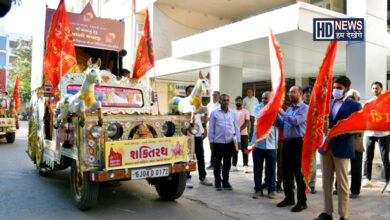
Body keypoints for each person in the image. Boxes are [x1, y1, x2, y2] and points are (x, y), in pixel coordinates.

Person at [315, 76, 362, 220]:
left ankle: (343, 215)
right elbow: (319, 120)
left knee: (342, 184)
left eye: (339, 88)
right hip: (325, 147)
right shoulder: (327, 103)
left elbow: (356, 128)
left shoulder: (354, 106)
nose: (335, 90)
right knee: (326, 182)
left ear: (346, 89)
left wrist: (335, 133)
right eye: (334, 88)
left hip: (342, 147)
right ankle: (327, 212)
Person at [277, 86, 308, 213]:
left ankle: (302, 202)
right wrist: (275, 118)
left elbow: (295, 121)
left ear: (300, 94)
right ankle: (289, 198)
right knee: (286, 172)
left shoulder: (305, 108)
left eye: (293, 92)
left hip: (299, 144)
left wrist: (281, 112)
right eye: (289, 92)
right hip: (287, 143)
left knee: (299, 174)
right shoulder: (289, 109)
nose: (290, 94)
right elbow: (284, 124)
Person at [251, 91, 282, 199]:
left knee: (271, 169)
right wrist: (271, 117)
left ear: (271, 99)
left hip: (272, 145)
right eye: (262, 98)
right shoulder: (257, 108)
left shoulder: (276, 108)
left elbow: (281, 124)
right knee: (258, 169)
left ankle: (271, 190)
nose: (264, 100)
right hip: (258, 144)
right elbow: (260, 120)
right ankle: (258, 190)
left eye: (266, 98)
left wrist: (276, 115)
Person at [209, 94, 241, 191]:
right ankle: (217, 181)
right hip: (218, 142)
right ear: (220, 101)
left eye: (227, 100)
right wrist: (211, 141)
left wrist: (238, 140)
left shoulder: (233, 113)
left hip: (230, 142)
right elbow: (211, 129)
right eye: (224, 100)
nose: (225, 102)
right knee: (217, 163)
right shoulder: (214, 113)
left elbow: (236, 127)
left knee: (227, 163)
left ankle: (225, 181)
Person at [362, 81, 390, 192]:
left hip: (383, 134)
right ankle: (368, 179)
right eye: (373, 88)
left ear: (381, 89)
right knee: (368, 158)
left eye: (377, 88)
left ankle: (388, 182)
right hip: (370, 134)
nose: (375, 90)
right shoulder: (368, 103)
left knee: (385, 159)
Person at [346, 89, 365, 199]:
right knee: (341, 168)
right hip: (343, 143)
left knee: (356, 169)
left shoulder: (361, 110)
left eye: (352, 97)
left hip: (356, 143)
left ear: (358, 99)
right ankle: (338, 187)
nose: (350, 100)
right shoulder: (343, 110)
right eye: (348, 97)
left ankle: (355, 191)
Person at [303, 85, 317, 194]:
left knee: (312, 162)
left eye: (310, 92)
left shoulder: (316, 107)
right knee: (299, 162)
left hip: (312, 138)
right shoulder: (298, 106)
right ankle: (301, 183)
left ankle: (312, 184)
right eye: (306, 92)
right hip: (300, 138)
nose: (308, 94)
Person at [232, 96, 250, 173]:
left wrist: (239, 129)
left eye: (239, 101)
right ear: (235, 102)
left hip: (244, 134)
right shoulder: (232, 112)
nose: (238, 102)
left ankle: (245, 165)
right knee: (235, 150)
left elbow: (247, 122)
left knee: (245, 150)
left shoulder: (245, 111)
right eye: (237, 101)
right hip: (234, 135)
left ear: (242, 102)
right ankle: (234, 165)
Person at [206, 90, 221, 170]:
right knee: (211, 145)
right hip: (210, 128)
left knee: (218, 145)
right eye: (212, 95)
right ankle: (212, 162)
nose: (214, 96)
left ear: (218, 96)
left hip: (218, 128)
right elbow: (206, 117)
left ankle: (219, 163)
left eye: (215, 95)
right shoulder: (209, 105)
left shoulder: (220, 106)